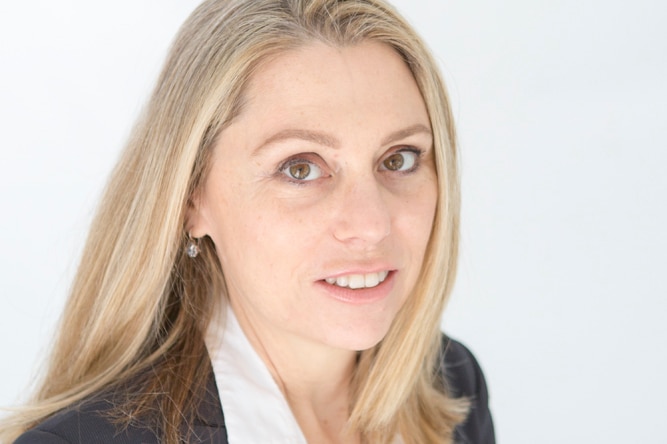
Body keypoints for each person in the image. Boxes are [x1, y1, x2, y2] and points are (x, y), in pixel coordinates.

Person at [1, 0, 495, 442]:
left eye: (399, 159)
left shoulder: (452, 380)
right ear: (191, 198)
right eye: (300, 168)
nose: (371, 225)